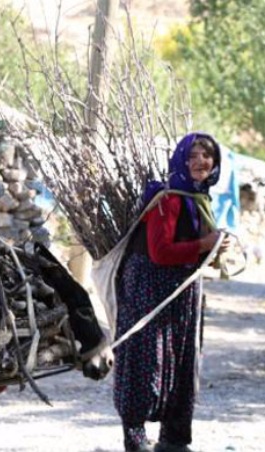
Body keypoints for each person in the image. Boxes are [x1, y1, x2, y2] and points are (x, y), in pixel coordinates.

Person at [114, 132, 226, 452]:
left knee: (183, 359)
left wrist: (213, 248)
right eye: (193, 155)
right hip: (149, 289)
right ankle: (135, 440)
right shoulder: (168, 198)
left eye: (207, 155)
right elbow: (160, 251)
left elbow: (193, 248)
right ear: (180, 160)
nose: (201, 161)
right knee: (145, 361)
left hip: (184, 289)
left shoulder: (200, 199)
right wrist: (204, 245)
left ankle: (174, 440)